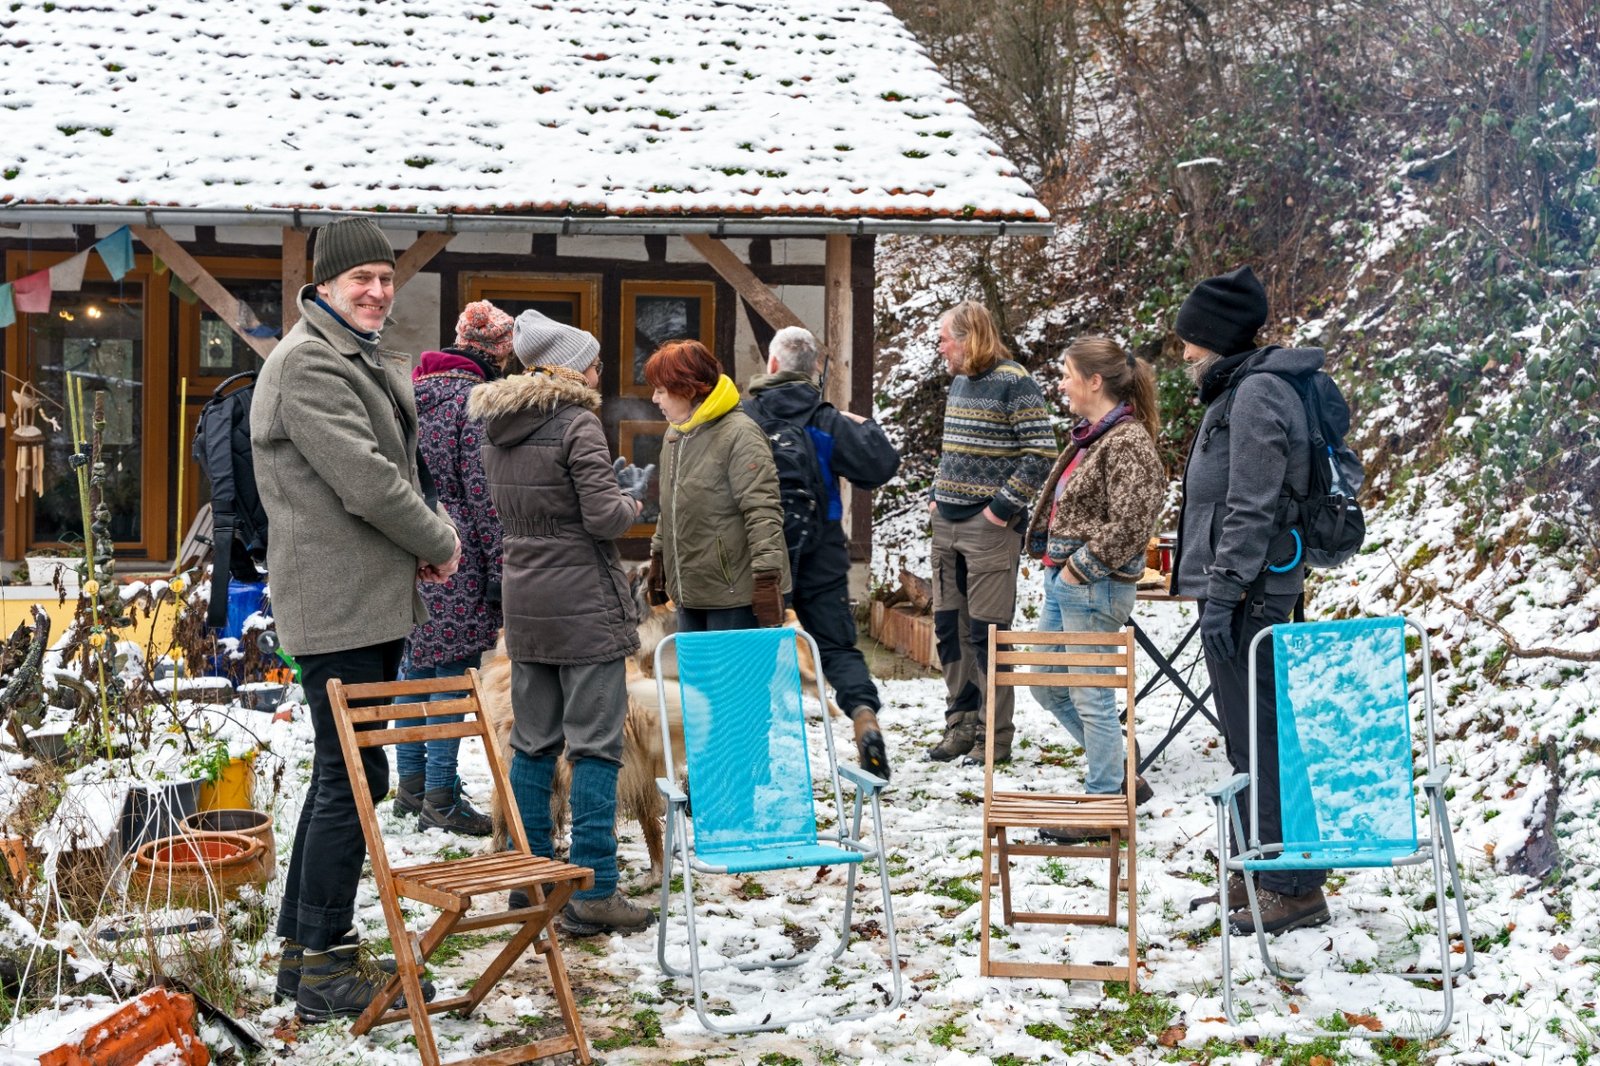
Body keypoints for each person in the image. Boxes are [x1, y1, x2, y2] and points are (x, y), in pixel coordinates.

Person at [252, 216, 461, 1020]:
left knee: (350, 774)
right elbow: (368, 481)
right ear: (325, 286)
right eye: (360, 280)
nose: (377, 292)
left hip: (363, 602)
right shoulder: (309, 363)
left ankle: (305, 953)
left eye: (385, 277)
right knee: (353, 778)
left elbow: (388, 468)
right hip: (337, 607)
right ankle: (327, 968)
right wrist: (438, 538)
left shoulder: (348, 355)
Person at [470, 308, 655, 936]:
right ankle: (595, 888)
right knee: (596, 746)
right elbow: (603, 519)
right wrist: (634, 496)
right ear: (573, 368)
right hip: (582, 605)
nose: (602, 373)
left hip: (525, 604)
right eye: (597, 362)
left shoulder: (498, 425)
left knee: (533, 740)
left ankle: (531, 879)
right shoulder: (578, 424)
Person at [1169, 265, 1330, 933]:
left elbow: (1251, 505)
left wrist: (1224, 591)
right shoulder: (1239, 391)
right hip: (1242, 592)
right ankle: (1254, 869)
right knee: (1247, 739)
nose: (1181, 354)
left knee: (1260, 741)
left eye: (1188, 341)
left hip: (1251, 597)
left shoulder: (1258, 394)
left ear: (1213, 338)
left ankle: (1291, 888)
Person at [1022, 337, 1165, 841]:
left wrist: (1080, 568)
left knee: (1091, 698)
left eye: (1066, 373)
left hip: (1092, 587)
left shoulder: (1127, 441)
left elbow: (1134, 518)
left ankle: (1104, 802)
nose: (1061, 383)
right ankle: (1123, 774)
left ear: (1094, 381)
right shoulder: (1093, 436)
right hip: (1067, 585)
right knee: (1045, 686)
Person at [745, 326, 901, 780]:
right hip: (822, 551)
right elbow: (881, 466)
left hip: (760, 556)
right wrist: (861, 425)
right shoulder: (827, 420)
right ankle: (864, 718)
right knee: (835, 645)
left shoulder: (746, 417)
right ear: (816, 369)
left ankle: (751, 755)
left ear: (771, 365)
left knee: (750, 651)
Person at [390, 301, 512, 837]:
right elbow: (483, 497)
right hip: (455, 550)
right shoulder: (474, 404)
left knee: (414, 664)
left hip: (402, 543)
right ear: (494, 355)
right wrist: (500, 568)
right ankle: (441, 794)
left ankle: (411, 788)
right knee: (454, 673)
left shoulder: (410, 394)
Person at [925, 301, 1056, 766]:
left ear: (969, 337)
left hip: (989, 529)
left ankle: (992, 737)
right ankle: (959, 726)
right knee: (948, 631)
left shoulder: (1015, 382)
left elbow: (1041, 452)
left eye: (945, 338)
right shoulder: (959, 382)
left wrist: (1000, 509)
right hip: (947, 523)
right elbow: (951, 449)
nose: (941, 347)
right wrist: (936, 494)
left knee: (987, 635)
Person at [643, 340, 790, 632]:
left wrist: (766, 578)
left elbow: (762, 511)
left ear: (687, 388)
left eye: (661, 391)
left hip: (735, 595)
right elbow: (670, 505)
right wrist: (659, 559)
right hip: (689, 593)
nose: (654, 399)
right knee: (697, 678)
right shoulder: (675, 436)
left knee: (735, 679)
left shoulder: (740, 435)